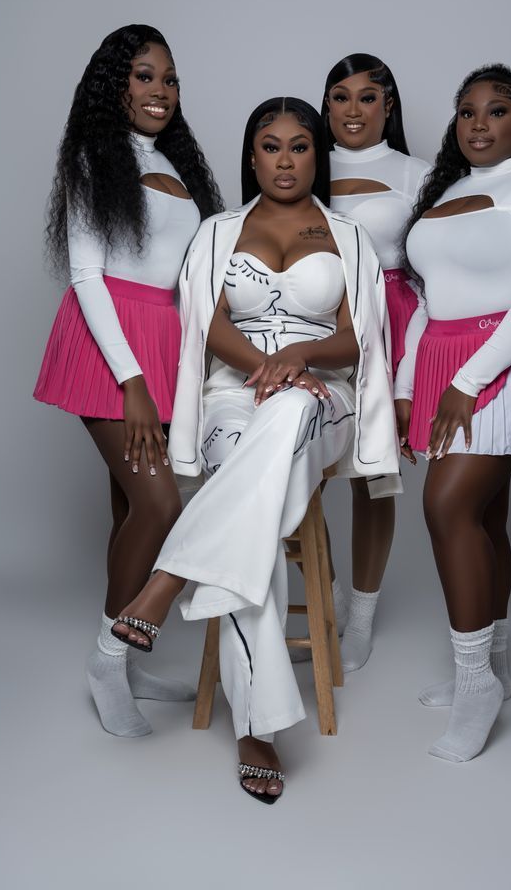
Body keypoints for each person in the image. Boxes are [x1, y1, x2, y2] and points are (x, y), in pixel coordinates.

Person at [110, 97, 399, 802]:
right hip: (232, 395)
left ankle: (168, 578)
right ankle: (256, 729)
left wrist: (298, 356)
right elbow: (205, 322)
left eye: (300, 147)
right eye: (271, 147)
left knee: (294, 408)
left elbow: (358, 334)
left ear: (315, 155)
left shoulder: (347, 235)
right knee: (256, 504)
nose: (286, 160)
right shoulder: (217, 232)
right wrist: (259, 367)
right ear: (252, 155)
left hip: (320, 398)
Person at [33, 24, 223, 737]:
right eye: (145, 76)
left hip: (166, 341)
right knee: (160, 503)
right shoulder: (93, 158)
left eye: (170, 79)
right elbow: (88, 274)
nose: (160, 91)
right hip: (109, 342)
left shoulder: (181, 166)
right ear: (116, 84)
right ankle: (108, 661)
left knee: (128, 511)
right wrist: (134, 381)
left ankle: (124, 660)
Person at [395, 63, 511, 762]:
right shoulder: (446, 190)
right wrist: (407, 385)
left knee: (449, 509)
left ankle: (475, 683)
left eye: (496, 110)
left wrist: (468, 381)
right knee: (484, 516)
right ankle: (494, 668)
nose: (479, 123)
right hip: (444, 364)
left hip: (502, 362)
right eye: (467, 111)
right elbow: (427, 297)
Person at [320, 52, 429, 671]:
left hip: (389, 323)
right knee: (300, 462)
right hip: (314, 321)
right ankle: (328, 592)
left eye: (368, 96)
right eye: (340, 96)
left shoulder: (418, 173)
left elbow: (432, 269)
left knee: (372, 472)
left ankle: (360, 614)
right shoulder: (305, 159)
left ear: (388, 105)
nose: (353, 109)